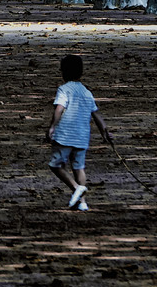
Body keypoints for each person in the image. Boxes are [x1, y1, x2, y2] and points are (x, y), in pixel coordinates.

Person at [47, 53, 111, 211]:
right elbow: (96, 115)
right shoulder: (86, 92)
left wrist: (52, 126)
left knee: (55, 165)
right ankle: (82, 202)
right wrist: (105, 132)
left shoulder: (64, 89)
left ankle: (77, 188)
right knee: (78, 167)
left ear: (63, 72)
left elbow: (59, 109)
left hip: (65, 136)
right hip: (82, 137)